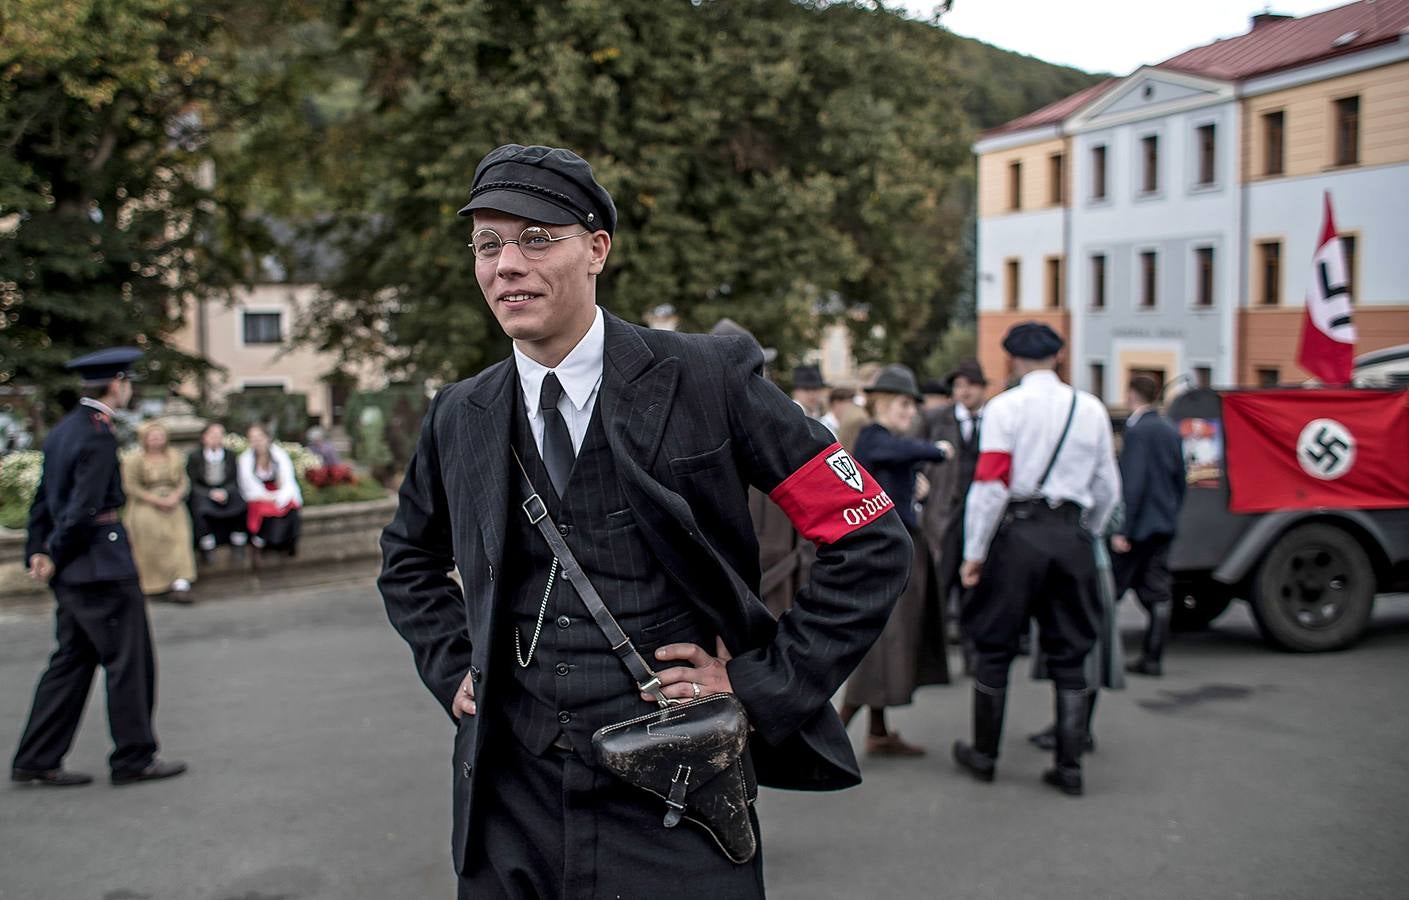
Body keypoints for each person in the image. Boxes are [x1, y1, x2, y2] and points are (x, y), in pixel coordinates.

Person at [379, 143, 912, 898]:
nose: (506, 265)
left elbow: (868, 535)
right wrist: (448, 664)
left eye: (537, 238)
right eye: (488, 244)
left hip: (677, 794)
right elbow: (406, 557)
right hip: (510, 798)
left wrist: (762, 687)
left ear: (596, 249)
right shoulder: (459, 413)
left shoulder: (709, 378)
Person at [952, 322, 1119, 796]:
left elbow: (990, 485)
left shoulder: (1005, 409)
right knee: (1072, 650)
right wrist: (1088, 531)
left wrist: (974, 553)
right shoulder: (1091, 409)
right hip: (1071, 535)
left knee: (994, 646)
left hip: (1018, 537)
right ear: (1057, 359)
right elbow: (1108, 488)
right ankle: (1070, 767)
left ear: (1012, 361)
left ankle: (984, 756)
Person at [12, 348, 186, 787]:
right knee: (130, 662)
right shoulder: (97, 435)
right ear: (117, 383)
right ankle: (134, 757)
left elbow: (43, 500)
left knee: (71, 661)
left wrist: (39, 548)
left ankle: (37, 757)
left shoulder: (62, 432)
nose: (129, 390)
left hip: (76, 572)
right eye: (128, 382)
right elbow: (84, 508)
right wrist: (54, 551)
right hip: (100, 568)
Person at [839, 364, 955, 756]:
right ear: (885, 402)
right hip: (886, 556)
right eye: (905, 404)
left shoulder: (885, 441)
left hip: (896, 550)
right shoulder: (875, 436)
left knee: (894, 639)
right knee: (884, 641)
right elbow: (892, 452)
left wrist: (913, 485)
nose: (911, 413)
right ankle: (837, 734)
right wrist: (936, 451)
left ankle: (877, 730)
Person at [1113, 375, 1188, 677]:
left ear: (1132, 395)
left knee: (1112, 589)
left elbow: (1133, 483)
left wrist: (1122, 529)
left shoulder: (1137, 431)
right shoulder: (1170, 429)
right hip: (1162, 523)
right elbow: (1180, 480)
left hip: (1138, 527)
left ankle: (1103, 652)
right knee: (1158, 591)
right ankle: (1153, 657)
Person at [920, 359, 987, 648]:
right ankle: (936, 649)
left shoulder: (996, 419)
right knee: (941, 578)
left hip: (982, 512)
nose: (965, 391)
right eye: (959, 385)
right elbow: (914, 448)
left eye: (971, 384)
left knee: (977, 584)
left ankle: (974, 648)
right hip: (945, 510)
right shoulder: (937, 418)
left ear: (982, 388)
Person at [122, 420, 197, 599]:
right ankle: (155, 584)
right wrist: (155, 500)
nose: (157, 440)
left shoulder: (174, 456)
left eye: (160, 436)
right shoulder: (134, 460)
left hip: (172, 501)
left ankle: (181, 581)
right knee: (152, 536)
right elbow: (130, 486)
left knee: (179, 537)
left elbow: (183, 481)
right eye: (153, 437)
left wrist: (175, 496)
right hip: (146, 503)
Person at [186, 422, 248, 562]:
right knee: (199, 508)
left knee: (240, 503)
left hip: (226, 491)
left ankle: (238, 540)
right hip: (204, 492)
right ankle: (207, 545)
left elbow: (234, 479)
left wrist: (225, 491)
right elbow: (193, 482)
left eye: (219, 435)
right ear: (204, 437)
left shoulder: (229, 455)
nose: (216, 438)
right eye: (212, 435)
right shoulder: (195, 457)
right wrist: (210, 493)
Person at [237, 423, 302, 555]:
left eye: (260, 437)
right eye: (253, 439)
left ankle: (286, 543)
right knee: (263, 509)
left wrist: (279, 495)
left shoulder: (279, 455)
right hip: (258, 494)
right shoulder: (245, 459)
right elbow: (247, 483)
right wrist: (266, 496)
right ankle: (265, 541)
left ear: (267, 438)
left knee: (290, 507)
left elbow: (287, 480)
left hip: (278, 492)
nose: (257, 442)